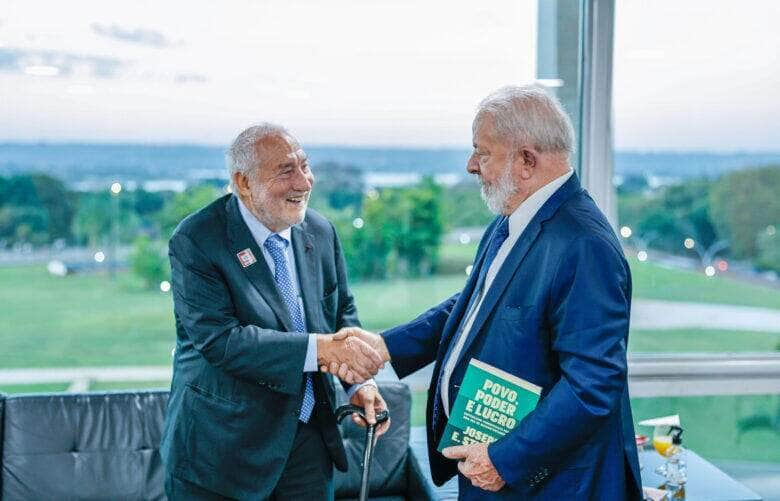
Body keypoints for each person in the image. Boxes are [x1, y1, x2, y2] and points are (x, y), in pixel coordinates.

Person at [329, 86, 642, 500]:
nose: (471, 165)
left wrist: (504, 459)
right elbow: (474, 306)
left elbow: (592, 384)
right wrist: (386, 346)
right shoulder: (512, 218)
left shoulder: (584, 245)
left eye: (483, 152)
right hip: (489, 466)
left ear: (526, 160)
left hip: (544, 481)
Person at [160, 123, 390, 500]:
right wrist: (323, 350)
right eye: (286, 171)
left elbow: (340, 312)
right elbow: (221, 341)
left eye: (304, 165)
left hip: (308, 446)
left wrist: (359, 383)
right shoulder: (198, 240)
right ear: (244, 182)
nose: (304, 182)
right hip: (223, 453)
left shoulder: (320, 231)